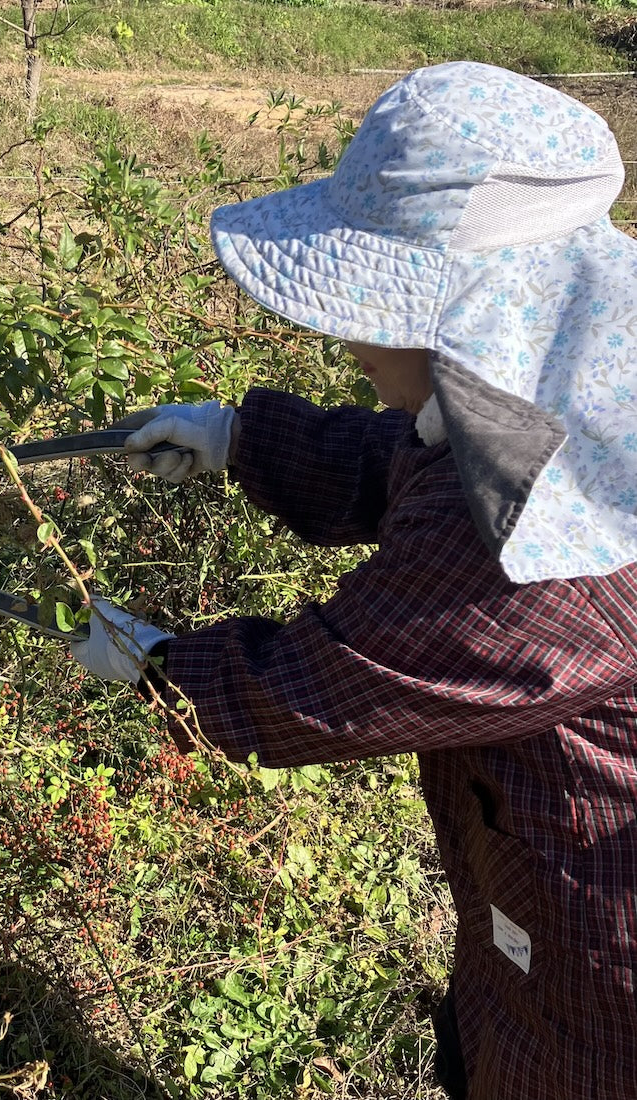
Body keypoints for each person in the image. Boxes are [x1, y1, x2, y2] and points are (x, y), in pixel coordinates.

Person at [69, 61, 637, 1100]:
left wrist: (163, 668)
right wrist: (245, 438)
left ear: (462, 317)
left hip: (602, 945)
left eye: (368, 305)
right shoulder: (582, 390)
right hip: (544, 882)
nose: (348, 340)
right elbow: (417, 465)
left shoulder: (532, 568)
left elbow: (335, 682)